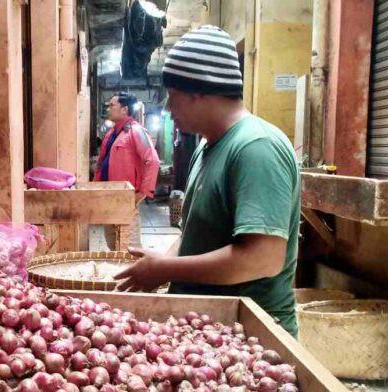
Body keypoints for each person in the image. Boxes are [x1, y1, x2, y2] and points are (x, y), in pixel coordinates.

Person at [113, 25, 301, 337]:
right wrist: (164, 260)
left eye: (174, 96)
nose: (169, 109)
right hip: (206, 329)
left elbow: (262, 258)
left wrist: (164, 270)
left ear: (200, 91)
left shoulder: (257, 147)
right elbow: (194, 231)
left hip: (249, 337)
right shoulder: (208, 145)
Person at [94, 92, 159, 249]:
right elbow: (101, 162)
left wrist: (143, 192)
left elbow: (153, 161)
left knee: (129, 247)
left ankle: (135, 274)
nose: (108, 108)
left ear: (124, 109)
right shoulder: (110, 134)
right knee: (112, 243)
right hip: (108, 195)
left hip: (126, 197)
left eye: (112, 105)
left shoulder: (136, 131)